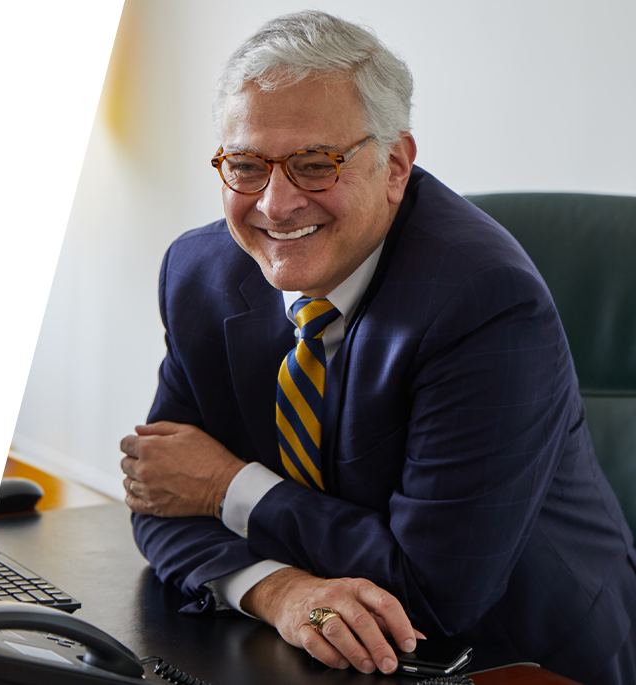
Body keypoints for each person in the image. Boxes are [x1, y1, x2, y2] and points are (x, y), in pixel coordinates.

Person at [118, 11, 636, 685]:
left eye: (313, 165)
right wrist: (282, 592)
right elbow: (160, 494)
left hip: (517, 657)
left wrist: (226, 485)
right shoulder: (200, 274)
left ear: (395, 165)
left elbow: (433, 590)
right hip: (322, 650)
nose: (274, 204)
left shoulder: (485, 302)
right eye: (246, 165)